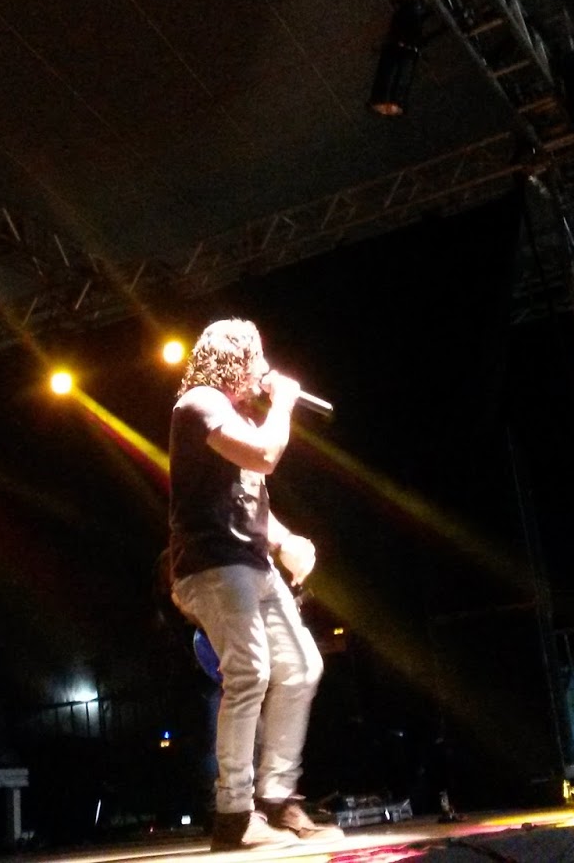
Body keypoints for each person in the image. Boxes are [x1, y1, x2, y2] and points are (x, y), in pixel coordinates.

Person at [166, 319, 344, 851]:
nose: (264, 368)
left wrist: (285, 540)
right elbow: (265, 455)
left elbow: (250, 502)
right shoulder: (198, 404)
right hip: (212, 564)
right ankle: (233, 814)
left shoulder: (238, 416)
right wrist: (283, 404)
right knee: (250, 673)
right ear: (234, 360)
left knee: (302, 665)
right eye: (257, 357)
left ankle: (275, 797)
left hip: (251, 562)